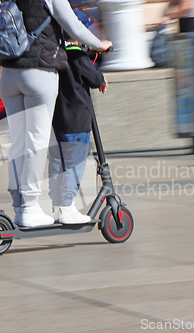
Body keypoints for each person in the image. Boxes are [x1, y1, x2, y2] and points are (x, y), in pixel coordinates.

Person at [0, 0, 112, 227]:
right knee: (36, 141)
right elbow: (73, 25)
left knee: (18, 142)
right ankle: (35, 208)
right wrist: (99, 44)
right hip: (38, 70)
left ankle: (21, 207)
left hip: (8, 74)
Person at [49, 38, 108, 224]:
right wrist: (101, 78)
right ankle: (67, 207)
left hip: (58, 120)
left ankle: (57, 205)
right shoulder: (77, 56)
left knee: (58, 164)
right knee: (74, 165)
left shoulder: (57, 54)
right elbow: (94, 77)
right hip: (78, 122)